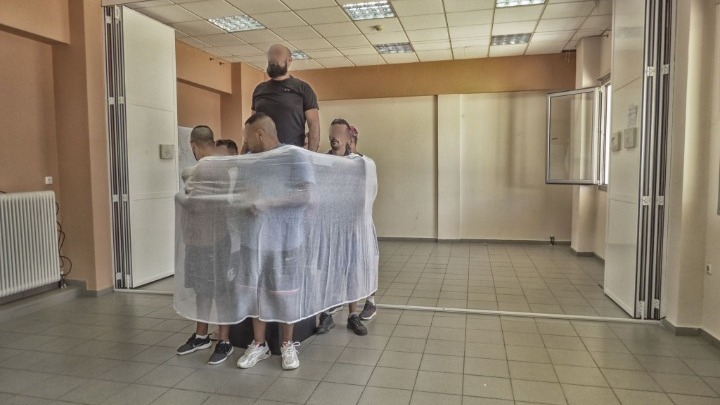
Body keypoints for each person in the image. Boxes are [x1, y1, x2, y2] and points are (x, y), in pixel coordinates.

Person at [235, 113, 314, 370]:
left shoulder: (293, 156)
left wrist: (268, 203)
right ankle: (259, 344)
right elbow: (240, 192)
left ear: (260, 134)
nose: (245, 142)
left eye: (247, 137)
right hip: (254, 239)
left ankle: (287, 344)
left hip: (286, 239)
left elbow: (306, 196)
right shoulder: (249, 161)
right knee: (256, 291)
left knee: (285, 292)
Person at [176, 125, 235, 365]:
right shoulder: (205, 168)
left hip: (215, 240)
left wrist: (183, 198)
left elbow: (199, 205)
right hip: (198, 240)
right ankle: (201, 335)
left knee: (220, 291)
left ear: (193, 146)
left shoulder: (211, 168)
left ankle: (225, 340)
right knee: (202, 289)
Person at [316, 119, 369, 336]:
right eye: (331, 133)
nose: (333, 136)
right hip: (327, 225)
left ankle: (353, 314)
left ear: (348, 137)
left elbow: (363, 194)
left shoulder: (357, 163)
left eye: (338, 132)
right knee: (326, 268)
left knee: (351, 268)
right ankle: (326, 313)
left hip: (349, 225)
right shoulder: (323, 161)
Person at [248, 44, 320, 152]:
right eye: (270, 54)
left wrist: (311, 155)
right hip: (262, 155)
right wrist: (244, 154)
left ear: (289, 60)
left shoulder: (303, 88)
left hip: (291, 154)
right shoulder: (259, 89)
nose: (273, 57)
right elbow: (252, 125)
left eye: (277, 53)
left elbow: (313, 124)